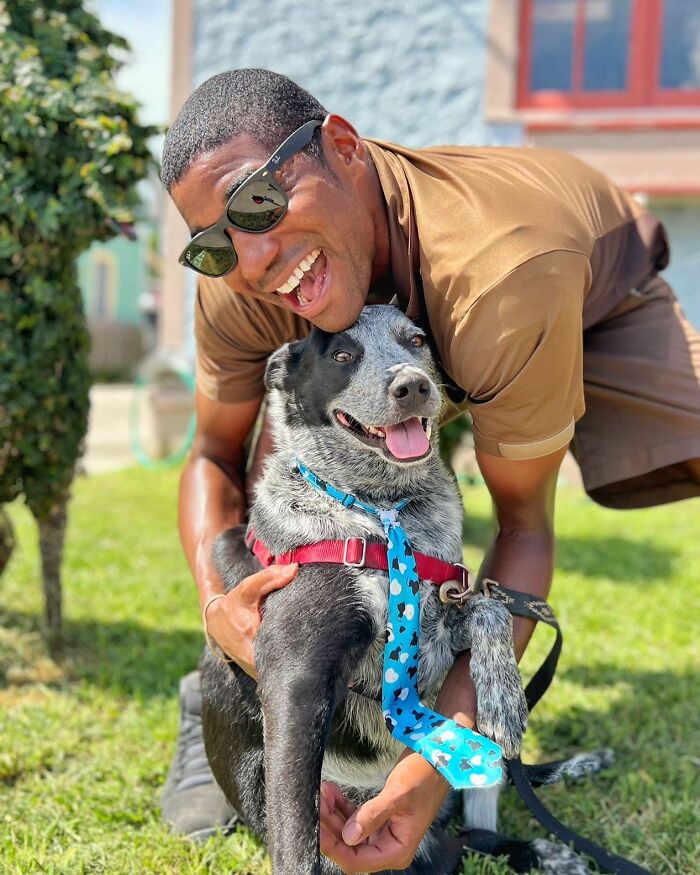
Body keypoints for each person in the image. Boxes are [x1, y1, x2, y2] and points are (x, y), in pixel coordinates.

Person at [159, 68, 700, 869]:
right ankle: (221, 708)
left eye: (257, 203)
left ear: (341, 146)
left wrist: (435, 765)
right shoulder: (245, 276)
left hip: (586, 277)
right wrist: (224, 619)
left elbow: (523, 527)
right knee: (298, 473)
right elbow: (209, 457)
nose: (252, 254)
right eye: (215, 240)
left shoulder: (500, 277)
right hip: (421, 292)